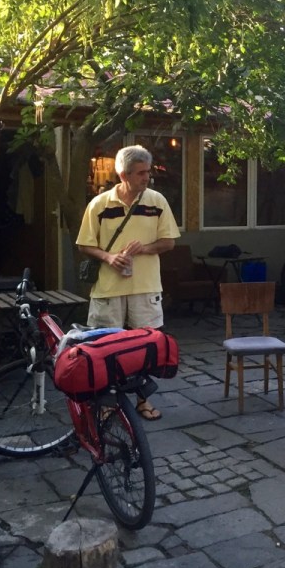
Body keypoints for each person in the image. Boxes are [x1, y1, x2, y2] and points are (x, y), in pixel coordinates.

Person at [76, 144, 180, 420]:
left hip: (146, 287)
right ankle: (107, 404)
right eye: (141, 173)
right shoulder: (99, 205)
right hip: (108, 288)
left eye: (148, 172)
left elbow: (169, 242)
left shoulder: (156, 201)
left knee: (148, 347)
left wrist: (144, 248)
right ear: (123, 174)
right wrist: (109, 258)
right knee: (104, 347)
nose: (147, 178)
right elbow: (85, 245)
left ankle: (143, 401)